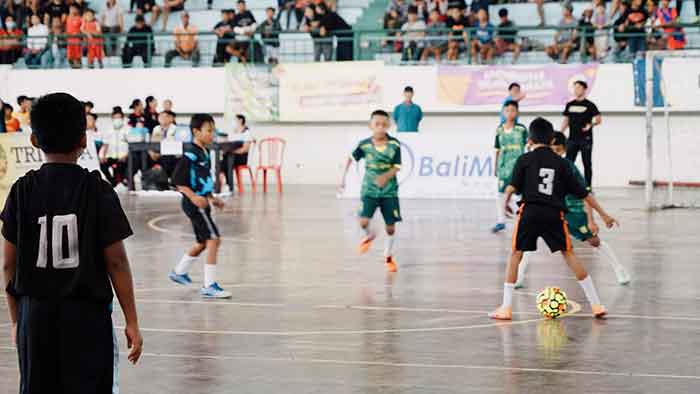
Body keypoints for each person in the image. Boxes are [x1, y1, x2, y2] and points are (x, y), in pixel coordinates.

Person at [1, 92, 143, 393]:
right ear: (84, 140)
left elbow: (7, 264)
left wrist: (17, 321)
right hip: (87, 318)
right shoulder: (98, 191)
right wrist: (132, 320)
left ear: (34, 141)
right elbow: (116, 261)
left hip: (35, 317)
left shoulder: (21, 190)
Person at [488, 117, 618, 321]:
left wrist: (505, 201)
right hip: (553, 213)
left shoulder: (524, 159)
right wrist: (604, 215)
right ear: (551, 139)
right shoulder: (562, 163)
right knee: (569, 254)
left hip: (529, 212)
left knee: (516, 255)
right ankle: (596, 304)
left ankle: (506, 308)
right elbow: (584, 194)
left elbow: (512, 187)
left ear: (529, 139)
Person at [515, 132, 631, 288]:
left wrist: (591, 219)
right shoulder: (538, 163)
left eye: (558, 150)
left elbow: (585, 194)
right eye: (552, 148)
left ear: (563, 150)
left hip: (574, 211)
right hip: (552, 210)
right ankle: (520, 276)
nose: (554, 152)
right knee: (528, 240)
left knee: (594, 241)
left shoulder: (568, 167)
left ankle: (619, 268)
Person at [168, 114, 231, 299]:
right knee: (214, 239)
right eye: (209, 130)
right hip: (194, 204)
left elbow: (202, 180)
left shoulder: (204, 152)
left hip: (203, 201)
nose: (213, 134)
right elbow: (177, 181)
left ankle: (179, 272)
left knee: (203, 242)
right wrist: (194, 197)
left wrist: (212, 197)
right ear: (196, 132)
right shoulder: (190, 154)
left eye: (214, 130)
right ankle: (209, 285)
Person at [339, 110, 402, 273]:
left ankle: (388, 257)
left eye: (384, 124)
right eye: (377, 124)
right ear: (370, 126)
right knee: (363, 222)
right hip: (369, 190)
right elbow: (350, 159)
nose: (381, 128)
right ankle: (369, 235)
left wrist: (386, 177)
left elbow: (397, 167)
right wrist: (342, 179)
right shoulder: (364, 145)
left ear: (389, 125)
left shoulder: (395, 144)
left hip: (389, 192)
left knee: (390, 228)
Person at [492, 100, 527, 234]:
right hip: (504, 167)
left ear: (517, 112)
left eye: (513, 110)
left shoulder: (521, 129)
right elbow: (497, 149)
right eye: (507, 110)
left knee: (519, 195)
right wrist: (495, 166)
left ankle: (521, 221)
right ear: (503, 112)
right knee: (501, 194)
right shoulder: (499, 130)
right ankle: (501, 221)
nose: (510, 113)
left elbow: (528, 146)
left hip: (518, 166)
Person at [561, 80, 600, 187]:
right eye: (575, 88)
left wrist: (590, 125)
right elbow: (566, 120)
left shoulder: (590, 105)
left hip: (585, 139)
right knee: (568, 163)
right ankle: (567, 186)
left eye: (578, 88)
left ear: (584, 89)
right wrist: (560, 133)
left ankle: (588, 187)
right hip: (572, 139)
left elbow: (598, 119)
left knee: (587, 163)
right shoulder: (570, 105)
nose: (576, 90)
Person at [222, 114, 255, 188]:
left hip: (241, 157)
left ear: (240, 121)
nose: (233, 122)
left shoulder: (247, 133)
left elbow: (245, 149)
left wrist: (233, 152)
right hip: (231, 156)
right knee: (223, 160)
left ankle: (229, 186)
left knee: (227, 160)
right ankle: (226, 185)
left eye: (235, 120)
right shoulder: (233, 133)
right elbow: (227, 144)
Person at [100, 106, 130, 187]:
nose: (117, 120)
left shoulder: (127, 129)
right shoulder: (108, 129)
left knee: (121, 166)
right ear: (112, 118)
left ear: (122, 118)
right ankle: (112, 181)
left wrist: (126, 155)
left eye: (119, 118)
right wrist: (103, 156)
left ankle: (121, 181)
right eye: (115, 118)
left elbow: (131, 145)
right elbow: (105, 144)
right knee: (103, 165)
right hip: (111, 156)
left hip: (123, 156)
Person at [65, 3, 83, 68]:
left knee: (77, 58)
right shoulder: (67, 18)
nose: (72, 10)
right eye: (71, 8)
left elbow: (83, 28)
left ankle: (79, 69)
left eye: (74, 9)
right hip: (69, 41)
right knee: (70, 58)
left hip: (77, 41)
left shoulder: (80, 18)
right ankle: (73, 69)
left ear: (77, 10)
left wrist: (79, 33)